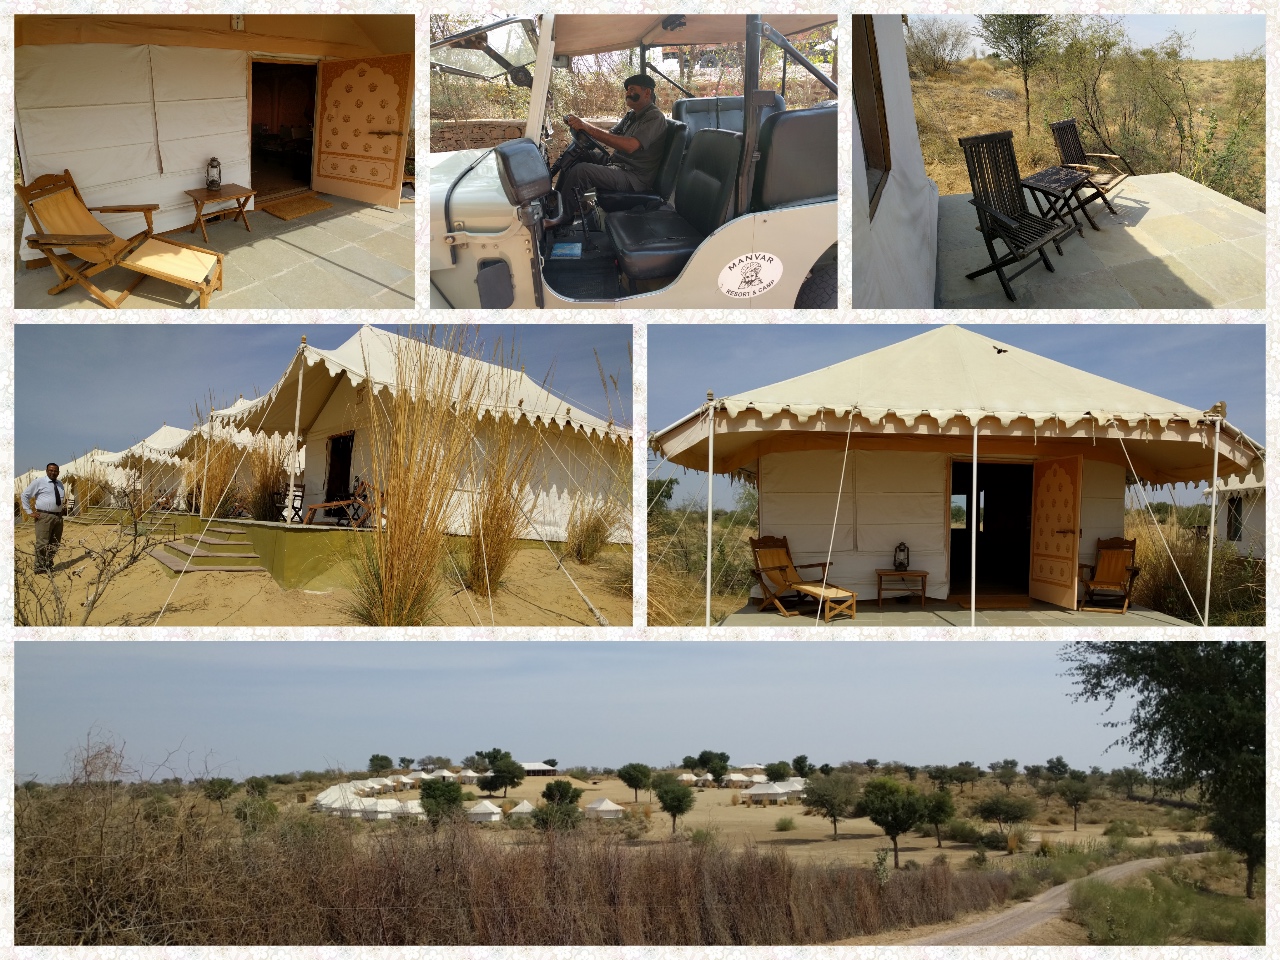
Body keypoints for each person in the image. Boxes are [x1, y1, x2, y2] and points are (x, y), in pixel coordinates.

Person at [555, 74, 668, 220]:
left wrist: (588, 128)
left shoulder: (655, 118)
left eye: (632, 89)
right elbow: (610, 134)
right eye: (627, 90)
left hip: (634, 177)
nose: (627, 93)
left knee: (582, 171)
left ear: (647, 92)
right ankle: (556, 201)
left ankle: (561, 218)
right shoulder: (631, 115)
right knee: (578, 152)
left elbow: (630, 146)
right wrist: (583, 126)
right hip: (618, 164)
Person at [22, 462, 68, 574]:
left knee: (55, 543)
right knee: (42, 542)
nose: (53, 472)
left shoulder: (60, 484)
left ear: (58, 472)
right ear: (46, 471)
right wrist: (29, 511)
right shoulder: (39, 482)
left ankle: (48, 564)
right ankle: (39, 567)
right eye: (51, 470)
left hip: (58, 517)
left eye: (55, 471)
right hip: (44, 516)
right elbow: (25, 495)